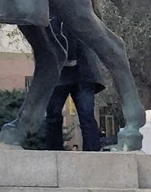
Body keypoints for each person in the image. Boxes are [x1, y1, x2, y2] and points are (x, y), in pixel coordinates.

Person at [44, 17, 105, 151]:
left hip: (81, 71)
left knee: (86, 115)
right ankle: (54, 151)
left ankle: (92, 152)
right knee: (54, 114)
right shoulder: (51, 13)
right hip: (62, 72)